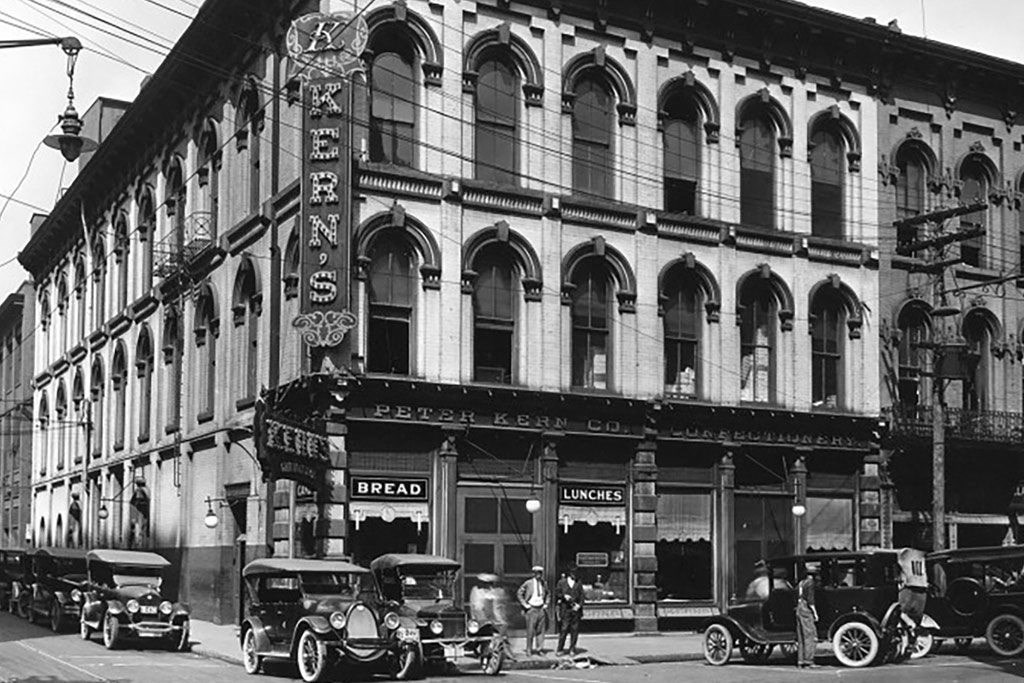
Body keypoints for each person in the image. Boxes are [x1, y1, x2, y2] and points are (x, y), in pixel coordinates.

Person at [517, 565, 549, 655]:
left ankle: (539, 649)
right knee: (530, 631)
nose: (539, 575)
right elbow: (519, 593)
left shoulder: (544, 583)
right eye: (537, 573)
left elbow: (548, 593)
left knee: (540, 631)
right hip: (532, 609)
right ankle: (529, 649)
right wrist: (525, 604)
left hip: (541, 608)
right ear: (534, 574)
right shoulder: (528, 583)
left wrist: (546, 603)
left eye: (540, 573)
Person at [555, 566, 585, 655]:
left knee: (574, 630)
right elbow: (557, 593)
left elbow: (582, 596)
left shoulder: (578, 583)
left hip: (575, 610)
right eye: (573, 574)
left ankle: (572, 648)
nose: (574, 576)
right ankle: (560, 648)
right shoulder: (562, 582)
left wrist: (579, 605)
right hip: (565, 609)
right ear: (570, 574)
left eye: (576, 574)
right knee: (564, 629)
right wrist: (564, 596)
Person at [795, 564, 819, 669]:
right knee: (810, 635)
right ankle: (809, 660)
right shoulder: (810, 583)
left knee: (801, 636)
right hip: (806, 609)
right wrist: (815, 613)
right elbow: (810, 600)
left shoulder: (801, 583)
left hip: (799, 607)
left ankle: (800, 660)